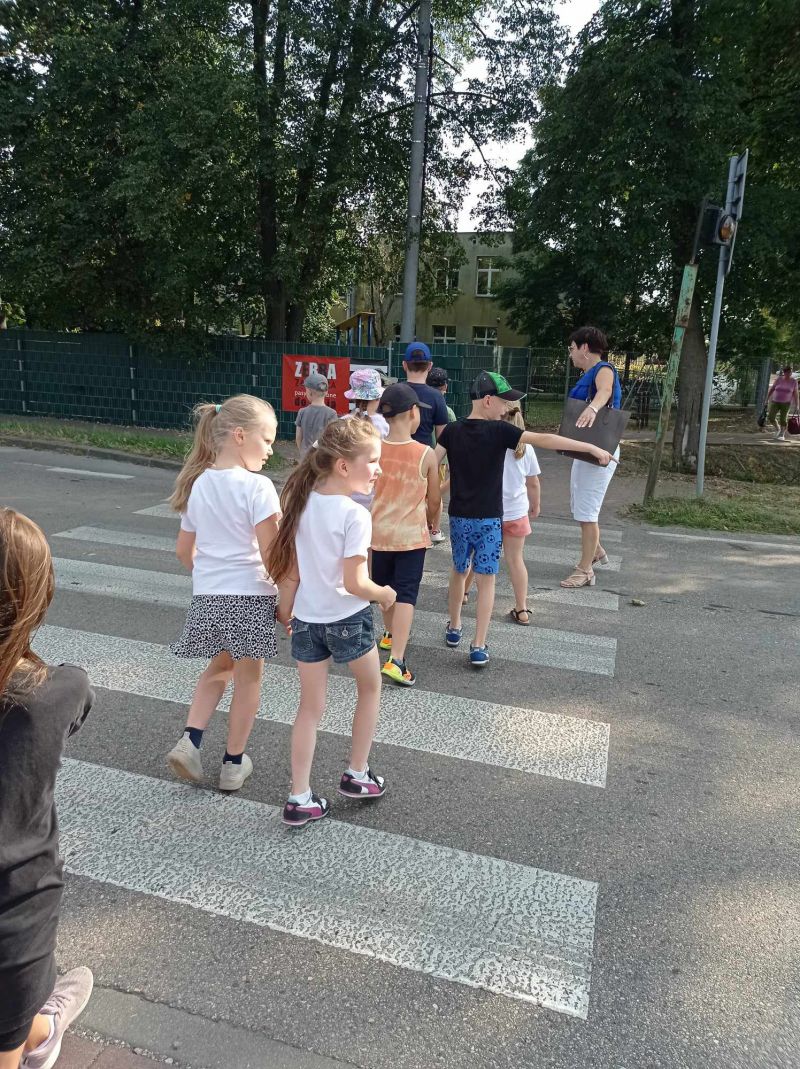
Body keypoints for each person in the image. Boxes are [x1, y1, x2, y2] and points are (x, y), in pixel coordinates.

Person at [0, 509, 95, 1069]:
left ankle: (41, 1028)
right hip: (15, 910)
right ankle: (38, 1031)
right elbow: (75, 705)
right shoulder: (61, 689)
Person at [268, 418, 397, 827]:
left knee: (309, 708)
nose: (378, 469)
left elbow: (291, 573)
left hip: (307, 620)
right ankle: (357, 774)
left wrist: (286, 610)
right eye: (372, 461)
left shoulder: (301, 504)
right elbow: (355, 583)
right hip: (347, 619)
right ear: (343, 466)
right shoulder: (354, 514)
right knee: (370, 688)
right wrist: (384, 593)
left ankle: (299, 797)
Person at [434, 371, 611, 667]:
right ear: (487, 400)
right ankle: (478, 644)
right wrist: (591, 447)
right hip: (490, 520)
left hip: (459, 518)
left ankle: (454, 626)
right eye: (504, 401)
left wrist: (422, 492)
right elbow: (545, 439)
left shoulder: (451, 431)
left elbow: (430, 461)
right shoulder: (499, 431)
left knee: (459, 569)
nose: (507, 408)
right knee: (487, 580)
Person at [166, 395, 281, 792]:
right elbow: (272, 554)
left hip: (209, 596)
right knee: (248, 679)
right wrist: (286, 595)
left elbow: (184, 551)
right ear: (239, 435)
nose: (270, 450)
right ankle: (233, 764)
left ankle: (190, 740)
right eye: (267, 440)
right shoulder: (258, 487)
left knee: (218, 668)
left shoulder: (198, 484)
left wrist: (209, 578)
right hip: (250, 595)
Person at [370, 383, 441, 687]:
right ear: (413, 412)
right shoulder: (426, 454)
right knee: (406, 595)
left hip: (378, 535)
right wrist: (433, 522)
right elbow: (434, 500)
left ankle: (389, 634)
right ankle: (397, 660)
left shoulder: (374, 449)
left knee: (385, 591)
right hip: (411, 537)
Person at [561, 326, 622, 590]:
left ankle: (585, 569)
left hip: (600, 449)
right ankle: (595, 550)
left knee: (587, 510)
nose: (570, 353)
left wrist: (593, 408)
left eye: (572, 348)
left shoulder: (603, 369)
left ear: (585, 348)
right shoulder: (587, 374)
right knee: (579, 504)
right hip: (586, 447)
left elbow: (605, 391)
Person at [425, 366, 457, 544]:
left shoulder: (421, 406)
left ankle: (423, 526)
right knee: (436, 493)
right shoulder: (447, 411)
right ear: (445, 386)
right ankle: (435, 530)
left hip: (422, 456)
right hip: (440, 459)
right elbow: (451, 438)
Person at [402, 342, 449, 448]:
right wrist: (432, 458)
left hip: (395, 455)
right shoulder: (437, 397)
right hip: (424, 454)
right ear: (430, 366)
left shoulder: (392, 392)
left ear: (404, 365)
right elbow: (443, 440)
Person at [295, 372, 338, 456]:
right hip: (322, 458)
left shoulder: (302, 412)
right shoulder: (332, 414)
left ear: (309, 392)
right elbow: (333, 438)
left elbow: (298, 437)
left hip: (305, 456)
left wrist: (302, 452)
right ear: (326, 392)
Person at [765, 366, 799, 441]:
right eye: (787, 372)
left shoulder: (794, 381)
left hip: (786, 403)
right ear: (784, 372)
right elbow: (772, 389)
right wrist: (766, 399)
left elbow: (796, 394)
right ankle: (778, 429)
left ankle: (782, 434)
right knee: (771, 417)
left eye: (790, 372)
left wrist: (797, 405)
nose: (789, 374)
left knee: (783, 419)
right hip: (775, 401)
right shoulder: (779, 379)